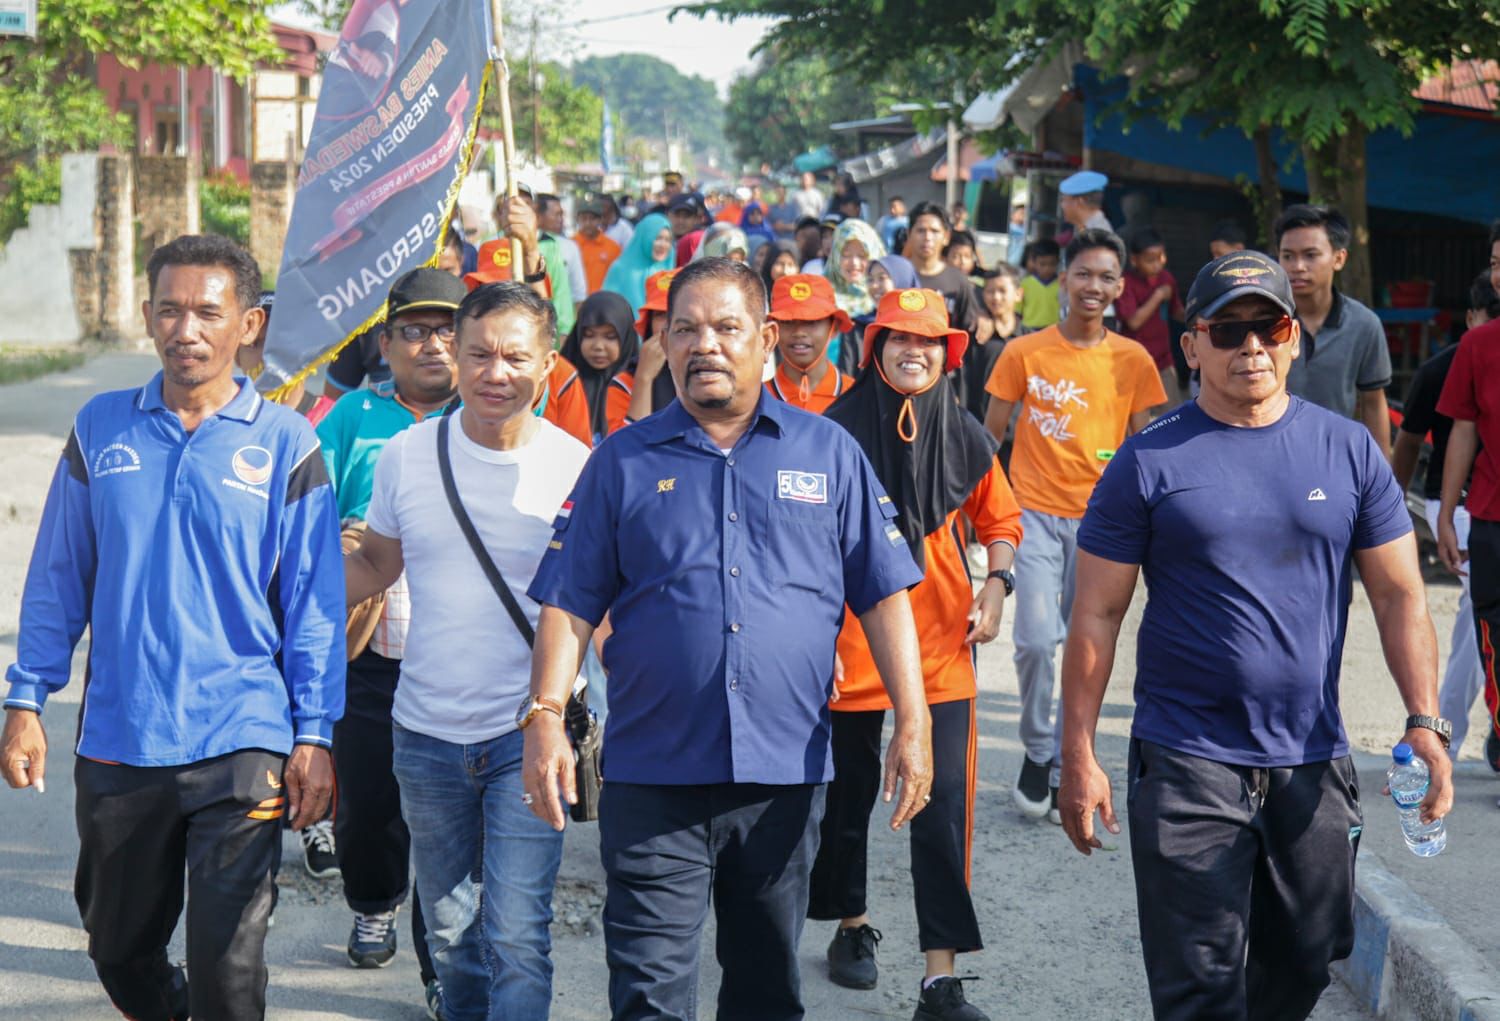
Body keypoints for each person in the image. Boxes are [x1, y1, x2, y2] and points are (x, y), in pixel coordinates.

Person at [522, 257, 935, 1021]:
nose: (703, 344)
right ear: (666, 344)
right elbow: (570, 600)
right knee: (649, 993)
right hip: (652, 774)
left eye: (725, 327)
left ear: (767, 338)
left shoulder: (828, 453)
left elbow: (882, 593)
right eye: (685, 329)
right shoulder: (622, 459)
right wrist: (546, 712)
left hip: (784, 773)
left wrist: (914, 720)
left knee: (766, 990)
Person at [1059, 249, 1453, 1021]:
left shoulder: (1347, 452)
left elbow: (1402, 594)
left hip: (1310, 756)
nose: (1251, 348)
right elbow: (1096, 613)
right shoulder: (1147, 460)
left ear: (1292, 336)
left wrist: (1426, 720)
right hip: (1185, 760)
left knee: (1311, 950)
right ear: (1192, 344)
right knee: (1199, 983)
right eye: (1229, 329)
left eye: (1268, 326)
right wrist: (1078, 751)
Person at [2, 234, 345, 1021]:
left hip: (243, 738)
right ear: (148, 318)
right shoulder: (101, 427)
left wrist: (314, 732)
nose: (185, 328)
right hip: (124, 735)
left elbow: (314, 604)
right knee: (118, 946)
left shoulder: (286, 442)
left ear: (248, 324)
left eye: (206, 312)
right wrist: (26, 698)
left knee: (228, 969)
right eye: (168, 309)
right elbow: (59, 575)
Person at [343, 282, 590, 1021]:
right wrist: (279, 577)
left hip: (529, 734)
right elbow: (377, 566)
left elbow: (600, 605)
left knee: (517, 931)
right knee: (450, 932)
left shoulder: (577, 466)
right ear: (456, 356)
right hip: (423, 735)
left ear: (547, 364)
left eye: (516, 355)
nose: (494, 371)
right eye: (478, 352)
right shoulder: (406, 455)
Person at [812, 288, 1022, 1020]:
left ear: (947, 354)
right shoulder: (832, 432)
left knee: (941, 814)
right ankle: (850, 926)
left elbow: (1001, 518)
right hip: (850, 650)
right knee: (849, 798)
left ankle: (941, 978)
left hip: (941, 653)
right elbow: (807, 548)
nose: (914, 351)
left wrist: (995, 583)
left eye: (929, 341)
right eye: (900, 337)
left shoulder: (966, 433)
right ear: (875, 347)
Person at [316, 269, 463, 1013]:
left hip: (462, 659)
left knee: (442, 816)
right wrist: (333, 536)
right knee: (369, 804)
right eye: (414, 329)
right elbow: (300, 508)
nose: (431, 344)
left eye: (446, 329)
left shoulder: (493, 414)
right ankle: (373, 898)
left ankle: (441, 961)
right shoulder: (351, 418)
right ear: (386, 342)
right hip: (369, 651)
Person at [983, 228, 1165, 822]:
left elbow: (1147, 447)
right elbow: (989, 438)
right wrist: (973, 513)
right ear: (1063, 278)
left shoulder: (1132, 360)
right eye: (1083, 273)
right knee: (1036, 641)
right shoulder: (1023, 353)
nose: (1094, 286)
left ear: (1119, 286)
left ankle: (1069, 754)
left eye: (1107, 276)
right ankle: (1038, 752)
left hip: (1102, 525)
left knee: (1085, 649)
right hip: (1032, 513)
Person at [1395, 270, 1498, 759]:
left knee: (1474, 624)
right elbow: (1432, 438)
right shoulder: (1456, 360)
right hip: (1471, 511)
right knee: (1484, 628)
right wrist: (1411, 509)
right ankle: (1451, 733)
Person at [1436, 221, 1500, 771]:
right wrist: (1448, 515)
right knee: (1495, 642)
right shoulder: (1478, 347)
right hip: (1491, 519)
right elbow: (1462, 428)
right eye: (1497, 262)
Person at [1276, 204, 1391, 456]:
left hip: (1335, 457)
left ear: (1339, 258)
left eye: (1310, 255)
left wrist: (1384, 477)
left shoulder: (1364, 324)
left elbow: (1373, 403)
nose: (1297, 266)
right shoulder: (1262, 321)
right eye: (1287, 256)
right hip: (1268, 455)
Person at [236, 291, 335, 425]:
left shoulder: (335, 421)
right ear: (236, 356)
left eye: (281, 342)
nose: (268, 356)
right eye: (254, 344)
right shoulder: (218, 421)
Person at [559, 289, 641, 444]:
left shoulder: (636, 386)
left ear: (626, 338)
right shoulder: (563, 382)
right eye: (589, 335)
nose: (598, 346)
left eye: (610, 337)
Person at [1116, 227, 1186, 407]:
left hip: (1163, 358)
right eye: (1150, 260)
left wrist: (1199, 320)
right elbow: (1133, 322)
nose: (1158, 264)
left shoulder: (1166, 278)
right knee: (1136, 414)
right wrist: (1158, 296)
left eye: (1161, 257)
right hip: (1134, 359)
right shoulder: (1126, 283)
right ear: (1134, 260)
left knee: (1172, 412)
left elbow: (1176, 311)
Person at [764, 274, 855, 413]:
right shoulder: (757, 400)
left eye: (812, 322)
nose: (799, 332)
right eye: (788, 322)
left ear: (834, 328)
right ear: (773, 330)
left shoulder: (854, 396)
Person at [825, 218, 887, 374]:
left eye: (862, 256)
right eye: (846, 255)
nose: (854, 263)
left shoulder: (883, 301)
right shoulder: (821, 297)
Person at [623, 268, 680, 425]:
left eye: (676, 313)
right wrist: (644, 379)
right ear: (649, 323)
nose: (669, 325)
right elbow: (629, 446)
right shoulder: (625, 382)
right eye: (660, 315)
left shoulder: (708, 375)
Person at [601, 211, 675, 313]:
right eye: (658, 238)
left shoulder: (669, 269)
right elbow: (606, 307)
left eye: (668, 240)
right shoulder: (620, 269)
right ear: (644, 238)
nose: (663, 245)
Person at [574, 197, 623, 298]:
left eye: (592, 218)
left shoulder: (613, 248)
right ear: (577, 220)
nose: (588, 223)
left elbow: (618, 280)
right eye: (584, 218)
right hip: (576, 304)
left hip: (603, 303)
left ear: (601, 220)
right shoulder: (571, 245)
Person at [1018, 239, 1062, 330]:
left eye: (1052, 264)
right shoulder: (1025, 284)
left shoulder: (1062, 285)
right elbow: (1017, 310)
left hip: (1054, 329)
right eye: (1042, 264)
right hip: (1029, 329)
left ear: (1058, 262)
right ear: (1034, 263)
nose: (1047, 268)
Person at [1057, 170, 1113, 235]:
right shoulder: (1090, 228)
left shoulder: (1097, 234)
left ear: (1080, 201)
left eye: (1064, 200)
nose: (1062, 205)